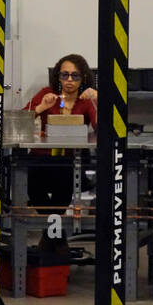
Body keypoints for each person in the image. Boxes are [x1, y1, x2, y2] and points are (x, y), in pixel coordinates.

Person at [23, 53, 98, 211]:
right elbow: (20, 121)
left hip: (69, 160)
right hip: (41, 159)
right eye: (65, 75)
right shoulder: (47, 93)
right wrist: (41, 108)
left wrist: (97, 100)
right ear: (58, 76)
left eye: (75, 75)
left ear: (83, 77)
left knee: (60, 199)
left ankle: (52, 231)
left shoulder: (86, 99)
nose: (69, 80)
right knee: (36, 193)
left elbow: (100, 127)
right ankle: (54, 231)